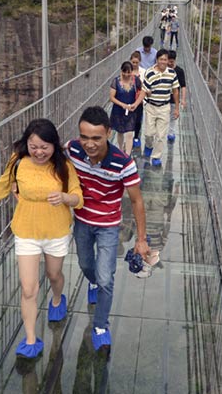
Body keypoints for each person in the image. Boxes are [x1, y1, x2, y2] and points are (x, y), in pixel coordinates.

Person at [0, 119, 83, 359]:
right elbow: (1, 186)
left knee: (54, 275)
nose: (39, 152)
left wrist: (64, 198)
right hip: (26, 230)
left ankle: (57, 299)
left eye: (45, 147)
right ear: (26, 144)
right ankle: (31, 338)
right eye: (34, 146)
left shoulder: (64, 166)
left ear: (54, 145)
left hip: (56, 229)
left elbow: (77, 196)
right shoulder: (18, 162)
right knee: (29, 288)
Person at [67, 106, 149, 352]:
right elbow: (46, 154)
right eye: (84, 137)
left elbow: (137, 200)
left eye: (96, 138)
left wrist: (141, 239)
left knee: (106, 277)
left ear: (109, 133)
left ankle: (100, 325)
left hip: (108, 226)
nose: (89, 144)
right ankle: (93, 282)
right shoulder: (72, 149)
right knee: (85, 265)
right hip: (82, 219)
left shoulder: (123, 163)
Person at [141, 49, 179, 167]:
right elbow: (144, 90)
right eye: (161, 59)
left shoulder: (172, 73)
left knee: (161, 135)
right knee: (148, 133)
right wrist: (145, 95)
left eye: (165, 59)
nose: (163, 62)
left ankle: (156, 157)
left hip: (164, 107)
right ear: (157, 60)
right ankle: (148, 145)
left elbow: (175, 91)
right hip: (151, 106)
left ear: (168, 61)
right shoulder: (149, 72)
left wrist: (177, 108)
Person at [109, 61, 144, 155]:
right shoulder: (116, 81)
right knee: (120, 132)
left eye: (129, 72)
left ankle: (127, 155)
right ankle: (120, 149)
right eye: (125, 72)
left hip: (131, 110)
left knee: (129, 133)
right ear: (121, 71)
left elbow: (142, 92)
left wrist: (135, 104)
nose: (127, 74)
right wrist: (122, 105)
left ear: (132, 72)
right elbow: (112, 97)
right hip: (118, 111)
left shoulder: (136, 80)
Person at [166, 50, 186, 142]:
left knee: (173, 116)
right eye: (168, 61)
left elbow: (183, 86)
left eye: (171, 62)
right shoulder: (163, 69)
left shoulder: (179, 71)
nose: (169, 63)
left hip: (175, 98)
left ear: (175, 60)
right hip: (164, 97)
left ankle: (171, 133)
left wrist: (183, 99)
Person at [130, 51, 145, 148]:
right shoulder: (126, 70)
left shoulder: (144, 72)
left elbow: (145, 86)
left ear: (139, 62)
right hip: (128, 99)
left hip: (139, 100)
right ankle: (129, 136)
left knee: (138, 119)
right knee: (129, 118)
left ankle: (136, 136)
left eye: (136, 62)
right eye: (133, 62)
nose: (134, 64)